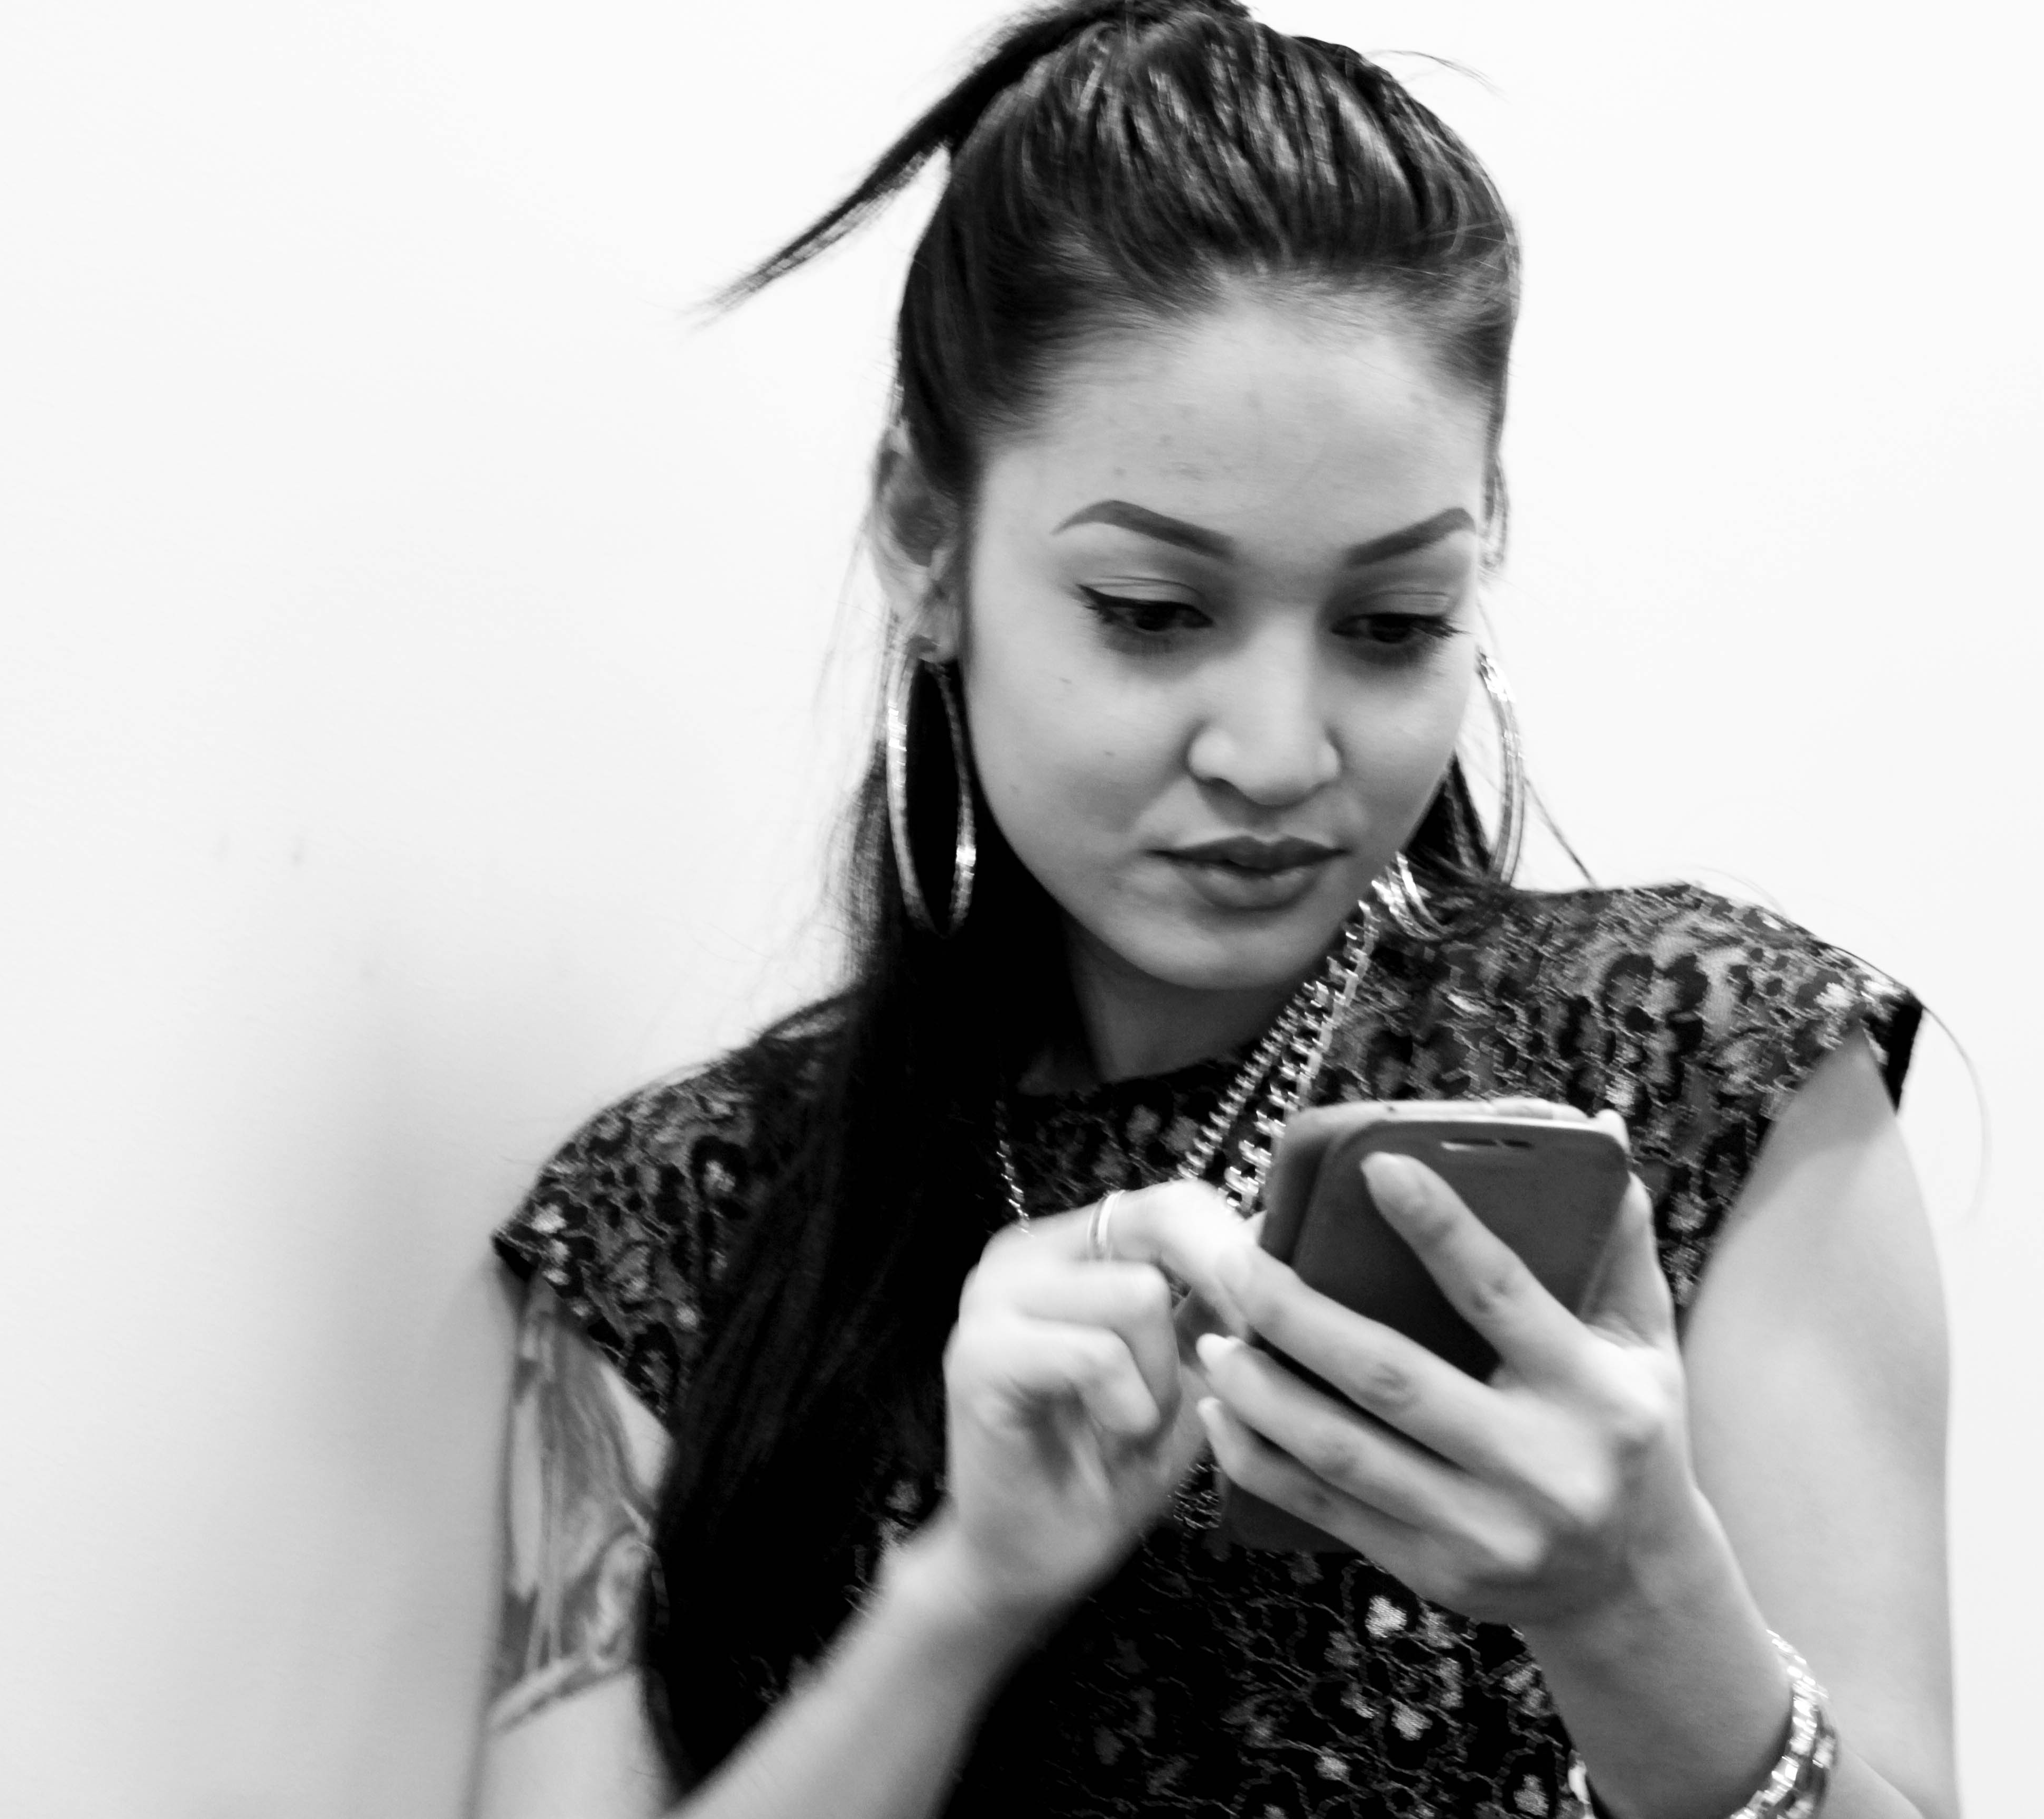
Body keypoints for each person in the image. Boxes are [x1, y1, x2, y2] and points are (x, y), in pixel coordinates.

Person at [474, 4, 1955, 1815]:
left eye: (1391, 624)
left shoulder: (1709, 1072)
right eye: (1155, 613)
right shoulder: (683, 1225)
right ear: (926, 538)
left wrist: (1634, 1604)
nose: (1275, 751)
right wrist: (962, 1599)